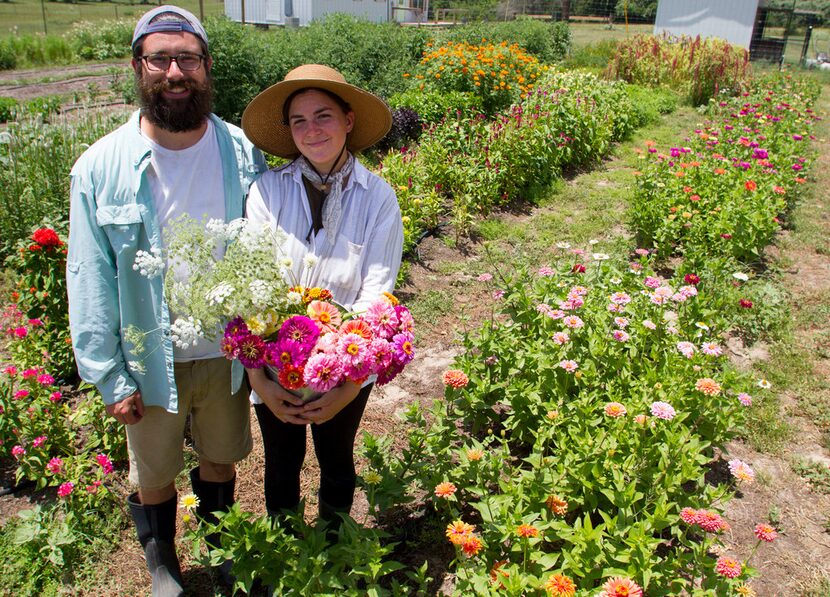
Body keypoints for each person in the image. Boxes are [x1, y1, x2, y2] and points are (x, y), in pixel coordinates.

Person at [66, 6, 265, 596]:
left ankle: (221, 547)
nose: (175, 72)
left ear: (207, 67)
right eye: (160, 58)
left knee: (221, 458)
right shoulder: (100, 168)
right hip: (145, 356)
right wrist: (107, 374)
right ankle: (162, 567)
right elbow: (89, 277)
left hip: (224, 352)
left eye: (188, 59)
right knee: (153, 470)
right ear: (138, 66)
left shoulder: (241, 150)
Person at [240, 65, 404, 531]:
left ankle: (333, 548)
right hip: (276, 362)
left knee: (336, 461)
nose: (312, 130)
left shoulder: (378, 198)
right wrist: (260, 380)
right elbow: (255, 284)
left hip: (345, 364)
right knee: (282, 464)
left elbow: (377, 295)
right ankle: (287, 553)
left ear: (349, 120)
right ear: (288, 131)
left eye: (324, 115)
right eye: (299, 120)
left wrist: (349, 384)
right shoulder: (268, 191)